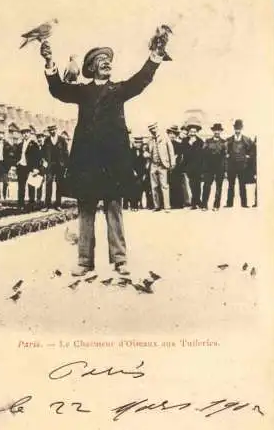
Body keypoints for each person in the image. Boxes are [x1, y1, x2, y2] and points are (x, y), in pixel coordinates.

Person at [41, 37, 167, 276]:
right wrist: (49, 61)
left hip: (114, 161)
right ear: (92, 68)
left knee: (114, 208)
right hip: (86, 161)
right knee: (86, 209)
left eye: (109, 60)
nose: (107, 63)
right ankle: (84, 261)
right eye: (102, 60)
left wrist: (155, 56)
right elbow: (57, 90)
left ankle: (120, 260)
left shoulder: (119, 90)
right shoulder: (82, 91)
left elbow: (141, 80)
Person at [147, 121, 176, 212]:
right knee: (154, 186)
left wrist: (172, 163)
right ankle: (157, 206)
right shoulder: (150, 140)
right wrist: (147, 155)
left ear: (157, 127)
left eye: (154, 128)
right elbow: (147, 151)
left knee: (164, 186)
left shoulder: (164, 137)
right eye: (151, 129)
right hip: (153, 165)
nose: (153, 130)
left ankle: (167, 207)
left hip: (163, 165)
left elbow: (171, 150)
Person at [41, 124, 69, 211]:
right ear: (49, 131)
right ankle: (47, 205)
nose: (52, 131)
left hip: (60, 166)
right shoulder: (47, 140)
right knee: (48, 183)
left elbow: (66, 153)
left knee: (59, 184)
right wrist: (44, 161)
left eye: (53, 130)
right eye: (50, 130)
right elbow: (43, 152)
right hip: (50, 165)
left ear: (56, 129)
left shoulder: (62, 140)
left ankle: (58, 205)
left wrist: (66, 165)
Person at [225, 119, 252, 208]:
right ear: (234, 129)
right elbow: (225, 151)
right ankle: (229, 204)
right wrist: (227, 156)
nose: (237, 130)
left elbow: (252, 150)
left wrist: (247, 157)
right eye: (236, 128)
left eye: (239, 128)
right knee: (231, 185)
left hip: (242, 166)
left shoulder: (247, 140)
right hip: (232, 165)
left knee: (242, 185)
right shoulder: (229, 140)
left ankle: (244, 204)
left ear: (241, 129)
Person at [201, 123, 226, 211]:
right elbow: (203, 155)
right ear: (213, 131)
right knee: (206, 186)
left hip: (220, 167)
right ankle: (204, 205)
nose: (217, 132)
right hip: (209, 167)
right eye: (215, 130)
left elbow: (225, 156)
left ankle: (216, 205)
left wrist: (225, 169)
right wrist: (204, 168)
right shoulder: (207, 141)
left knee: (219, 186)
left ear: (221, 131)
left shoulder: (224, 142)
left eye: (219, 130)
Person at [15, 127, 41, 211]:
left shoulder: (34, 144)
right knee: (21, 186)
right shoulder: (19, 145)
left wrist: (36, 168)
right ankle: (20, 204)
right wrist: (17, 162)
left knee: (31, 186)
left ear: (30, 133)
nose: (25, 134)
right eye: (23, 133)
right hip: (21, 167)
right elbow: (16, 155)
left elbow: (37, 157)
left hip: (30, 168)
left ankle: (31, 204)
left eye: (27, 132)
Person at [182, 121, 204, 210]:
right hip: (189, 166)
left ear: (197, 132)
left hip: (198, 166)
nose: (193, 133)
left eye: (194, 132)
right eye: (191, 131)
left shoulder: (200, 141)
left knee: (197, 185)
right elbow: (184, 153)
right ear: (189, 132)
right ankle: (197, 201)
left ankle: (195, 202)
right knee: (191, 184)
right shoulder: (185, 141)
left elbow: (201, 155)